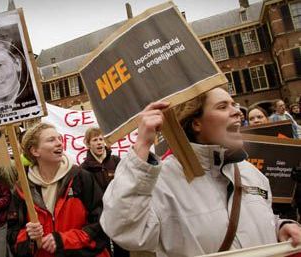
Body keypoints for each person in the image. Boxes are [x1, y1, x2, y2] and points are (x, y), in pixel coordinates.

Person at [100, 88, 301, 256]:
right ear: (196, 123)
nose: (237, 111)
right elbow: (123, 229)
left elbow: (257, 219)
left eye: (234, 104)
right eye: (223, 106)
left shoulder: (251, 173)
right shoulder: (162, 181)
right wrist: (142, 146)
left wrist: (279, 227)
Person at [0, 124, 110, 257]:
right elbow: (13, 237)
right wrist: (29, 237)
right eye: (51, 140)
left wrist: (63, 241)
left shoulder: (81, 178)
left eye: (59, 139)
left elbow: (102, 224)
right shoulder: (23, 187)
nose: (59, 143)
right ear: (34, 151)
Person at [80, 127, 128, 257]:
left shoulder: (116, 161)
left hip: (118, 214)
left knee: (122, 250)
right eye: (95, 140)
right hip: (99, 218)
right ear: (87, 143)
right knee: (105, 249)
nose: (99, 142)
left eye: (101, 139)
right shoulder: (84, 169)